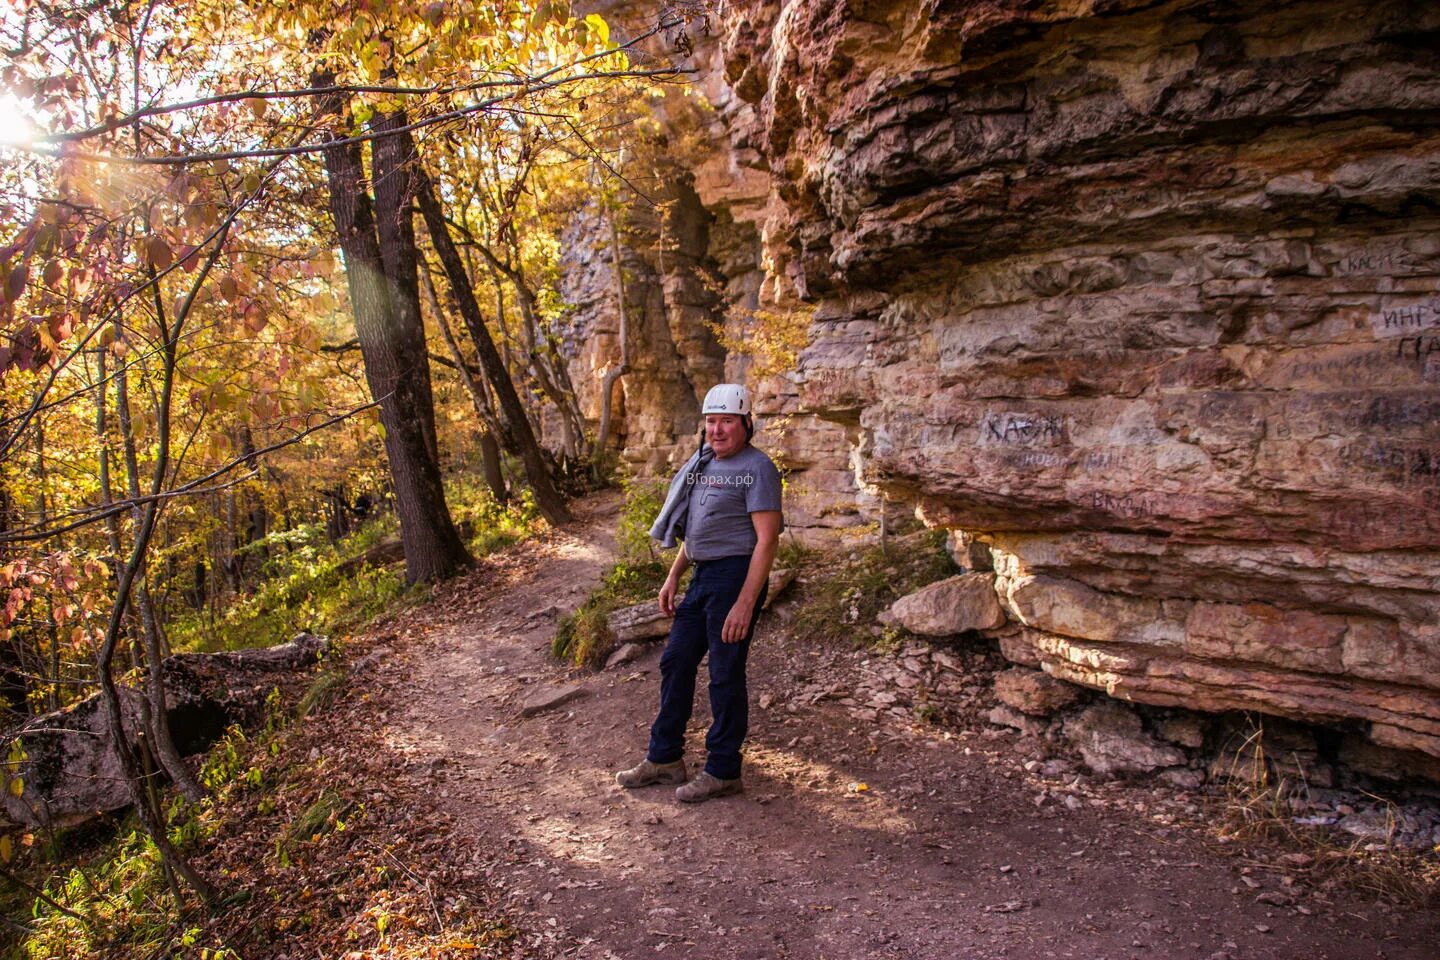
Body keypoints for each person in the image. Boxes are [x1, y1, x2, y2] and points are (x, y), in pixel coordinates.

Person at [615, 383, 784, 802]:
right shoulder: (703, 463)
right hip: (703, 575)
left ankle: (724, 769)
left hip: (735, 577)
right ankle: (665, 757)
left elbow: (767, 541)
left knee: (725, 672)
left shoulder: (757, 468)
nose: (717, 430)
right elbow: (698, 531)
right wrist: (674, 575)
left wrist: (746, 602)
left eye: (727, 421)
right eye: (711, 421)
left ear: (746, 424)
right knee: (676, 661)